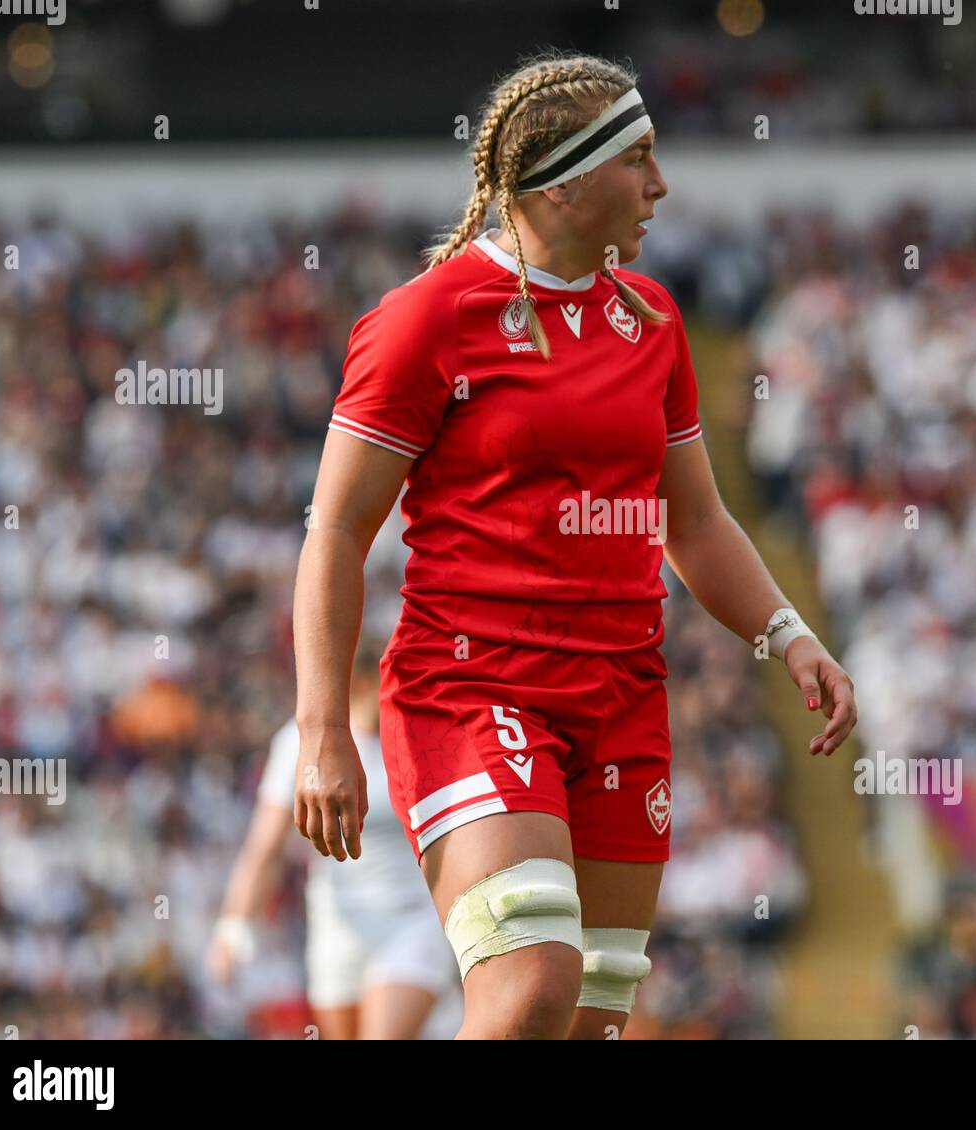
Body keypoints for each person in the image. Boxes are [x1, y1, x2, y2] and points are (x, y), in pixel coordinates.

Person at [292, 49, 857, 1040]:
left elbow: (694, 520)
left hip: (622, 698)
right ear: (562, 176)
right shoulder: (424, 322)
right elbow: (336, 529)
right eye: (637, 157)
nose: (660, 184)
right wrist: (321, 729)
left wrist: (785, 630)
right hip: (473, 690)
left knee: (591, 1021)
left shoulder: (650, 321)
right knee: (530, 988)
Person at [207, 639, 462, 1039]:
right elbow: (266, 848)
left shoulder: (421, 736)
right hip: (337, 925)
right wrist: (234, 927)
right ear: (354, 683)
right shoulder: (299, 743)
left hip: (412, 919)